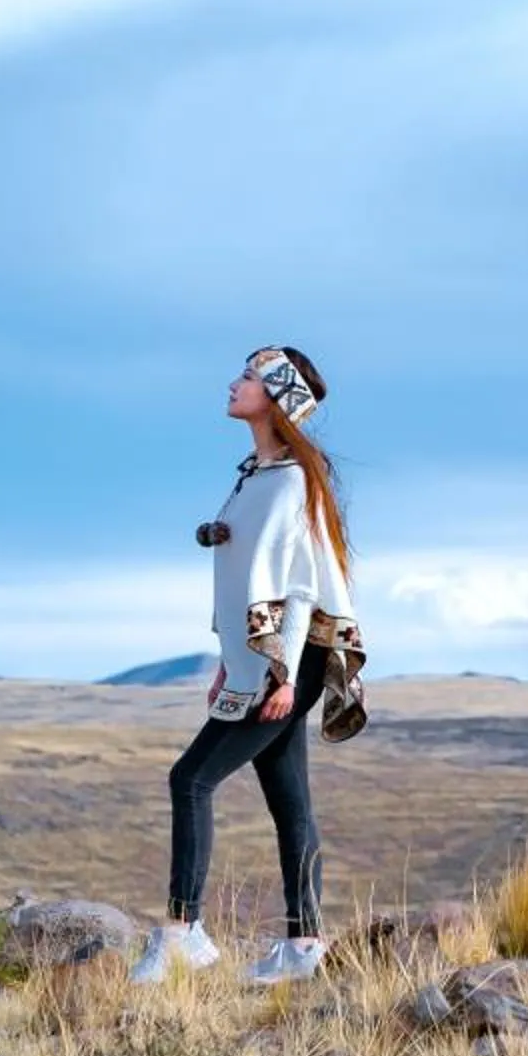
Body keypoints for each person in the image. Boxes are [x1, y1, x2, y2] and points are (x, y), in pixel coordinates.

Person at [132, 346, 369, 985]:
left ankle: (183, 931)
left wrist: (283, 675)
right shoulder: (258, 477)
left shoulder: (293, 481)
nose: (234, 384)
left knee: (191, 778)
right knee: (288, 799)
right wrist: (229, 660)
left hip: (292, 657)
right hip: (266, 659)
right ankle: (304, 945)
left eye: (249, 378)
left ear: (276, 398)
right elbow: (244, 581)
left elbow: (296, 588)